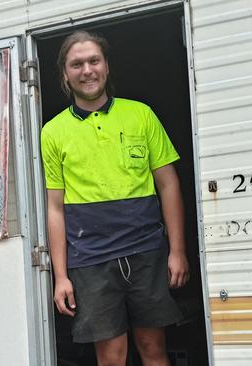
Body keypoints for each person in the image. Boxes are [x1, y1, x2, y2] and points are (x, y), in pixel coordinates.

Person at [40, 30, 189, 366]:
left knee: (153, 349)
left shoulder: (141, 114)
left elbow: (169, 185)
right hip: (90, 259)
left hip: (147, 252)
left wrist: (177, 251)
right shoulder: (53, 132)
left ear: (106, 66)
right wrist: (60, 276)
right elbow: (55, 208)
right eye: (76, 64)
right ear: (65, 74)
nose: (87, 70)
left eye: (94, 60)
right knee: (111, 357)